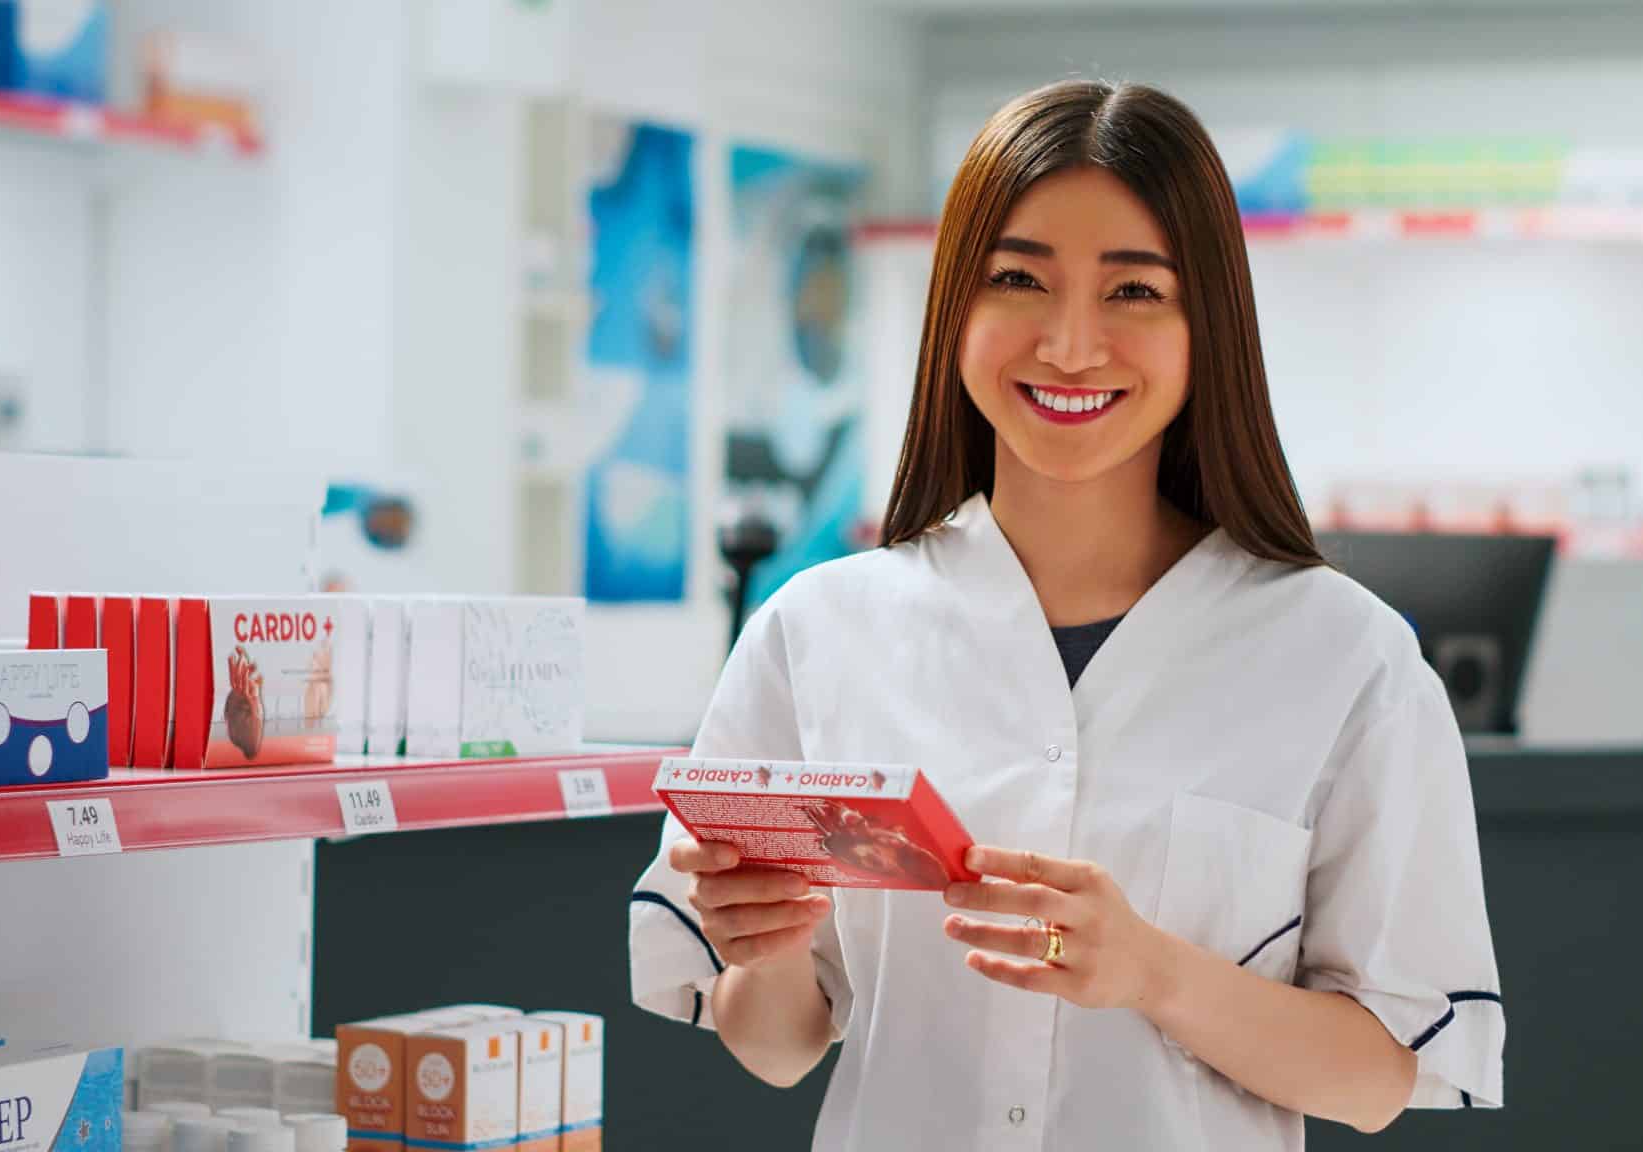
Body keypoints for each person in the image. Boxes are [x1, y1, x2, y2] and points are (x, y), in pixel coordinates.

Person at [628, 79, 1502, 1150]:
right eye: (1017, 280)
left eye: (1133, 291)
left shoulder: (1346, 657)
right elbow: (775, 1048)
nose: (1071, 345)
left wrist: (1154, 972)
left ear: (1207, 325)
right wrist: (761, 947)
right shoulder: (815, 631)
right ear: (955, 309)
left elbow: (1379, 1078)